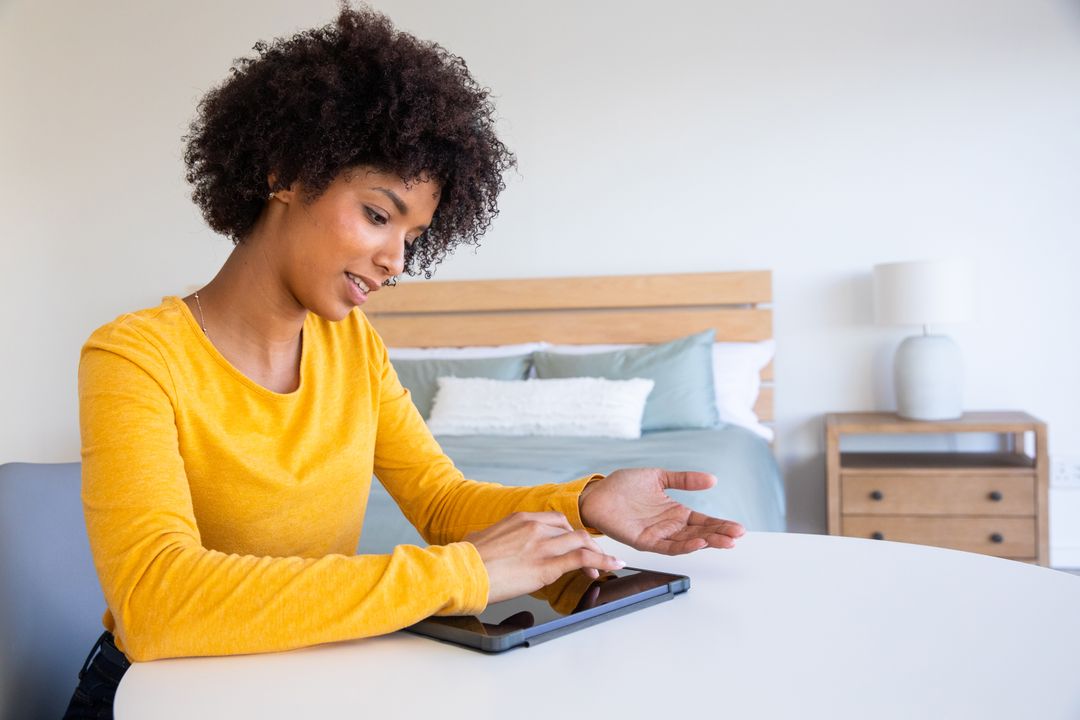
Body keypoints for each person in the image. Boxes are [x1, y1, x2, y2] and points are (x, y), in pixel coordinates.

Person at [64, 4, 745, 717]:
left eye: (413, 237)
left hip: (304, 679)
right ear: (286, 174)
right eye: (378, 215)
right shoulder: (136, 356)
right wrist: (462, 574)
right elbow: (156, 601)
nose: (396, 261)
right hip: (157, 696)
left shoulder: (352, 346)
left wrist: (584, 502)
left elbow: (441, 503)